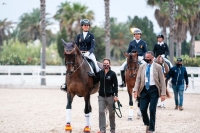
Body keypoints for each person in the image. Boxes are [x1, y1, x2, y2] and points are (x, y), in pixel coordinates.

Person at [60, 19, 100, 91]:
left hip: (89, 54)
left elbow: (93, 46)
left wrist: (89, 52)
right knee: (70, 66)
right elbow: (76, 46)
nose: (86, 27)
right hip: (80, 54)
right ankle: (66, 84)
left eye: (87, 25)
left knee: (96, 67)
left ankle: (96, 82)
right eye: (85, 25)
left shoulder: (91, 36)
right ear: (82, 26)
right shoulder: (79, 36)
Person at [133, 51, 166, 133]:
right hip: (144, 90)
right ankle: (147, 123)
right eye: (145, 58)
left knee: (152, 110)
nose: (146, 59)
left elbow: (162, 81)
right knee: (143, 109)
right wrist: (135, 90)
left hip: (154, 90)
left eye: (148, 58)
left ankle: (151, 129)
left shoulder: (158, 67)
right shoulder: (142, 66)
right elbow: (138, 79)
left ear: (152, 58)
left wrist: (163, 93)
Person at [96, 58, 118, 133]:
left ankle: (112, 129)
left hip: (110, 96)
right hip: (101, 96)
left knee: (111, 114)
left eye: (107, 63)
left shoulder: (113, 74)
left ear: (109, 64)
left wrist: (116, 95)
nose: (105, 65)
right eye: (104, 64)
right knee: (101, 112)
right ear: (102, 64)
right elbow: (96, 80)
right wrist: (92, 75)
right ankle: (102, 129)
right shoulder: (100, 73)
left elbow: (116, 86)